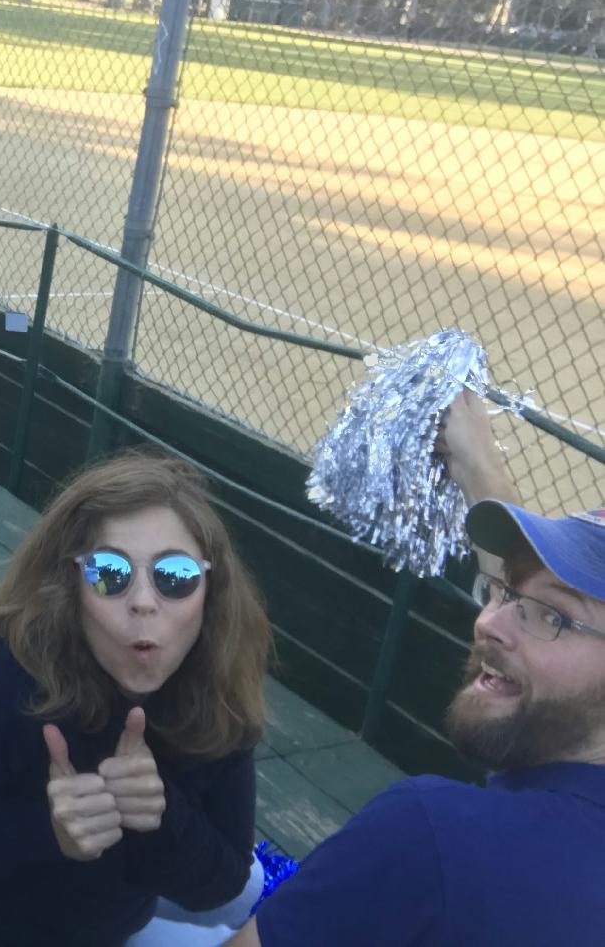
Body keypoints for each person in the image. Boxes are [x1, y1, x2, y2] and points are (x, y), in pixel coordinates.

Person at [227, 390, 605, 946]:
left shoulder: (432, 838)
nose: (487, 623)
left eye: (551, 616)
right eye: (502, 593)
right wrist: (478, 465)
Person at [0, 451, 271, 946]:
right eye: (109, 573)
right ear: (68, 586)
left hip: (127, 914)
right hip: (2, 934)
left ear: (211, 588)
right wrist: (45, 833)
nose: (143, 600)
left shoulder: (217, 693)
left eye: (176, 576)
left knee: (257, 895)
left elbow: (220, 881)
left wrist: (159, 815)